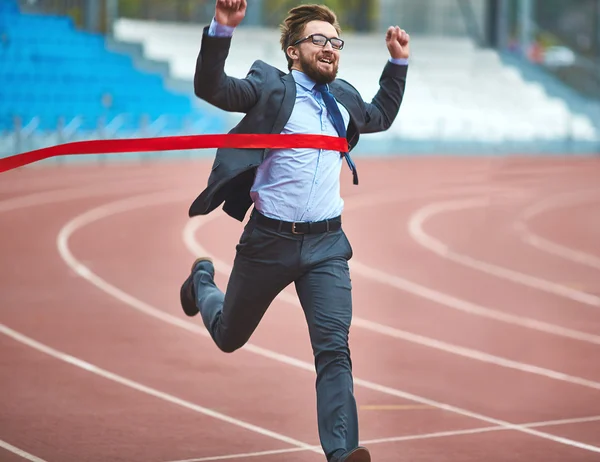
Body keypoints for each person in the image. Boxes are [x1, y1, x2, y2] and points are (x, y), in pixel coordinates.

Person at [180, 1, 410, 460]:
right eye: (318, 40)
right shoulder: (269, 87)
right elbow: (212, 87)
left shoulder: (343, 98)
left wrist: (397, 62)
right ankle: (202, 282)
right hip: (269, 241)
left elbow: (380, 114)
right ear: (292, 51)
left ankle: (341, 453)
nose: (329, 48)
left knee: (334, 349)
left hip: (326, 245)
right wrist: (222, 29)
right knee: (229, 336)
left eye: (335, 41)